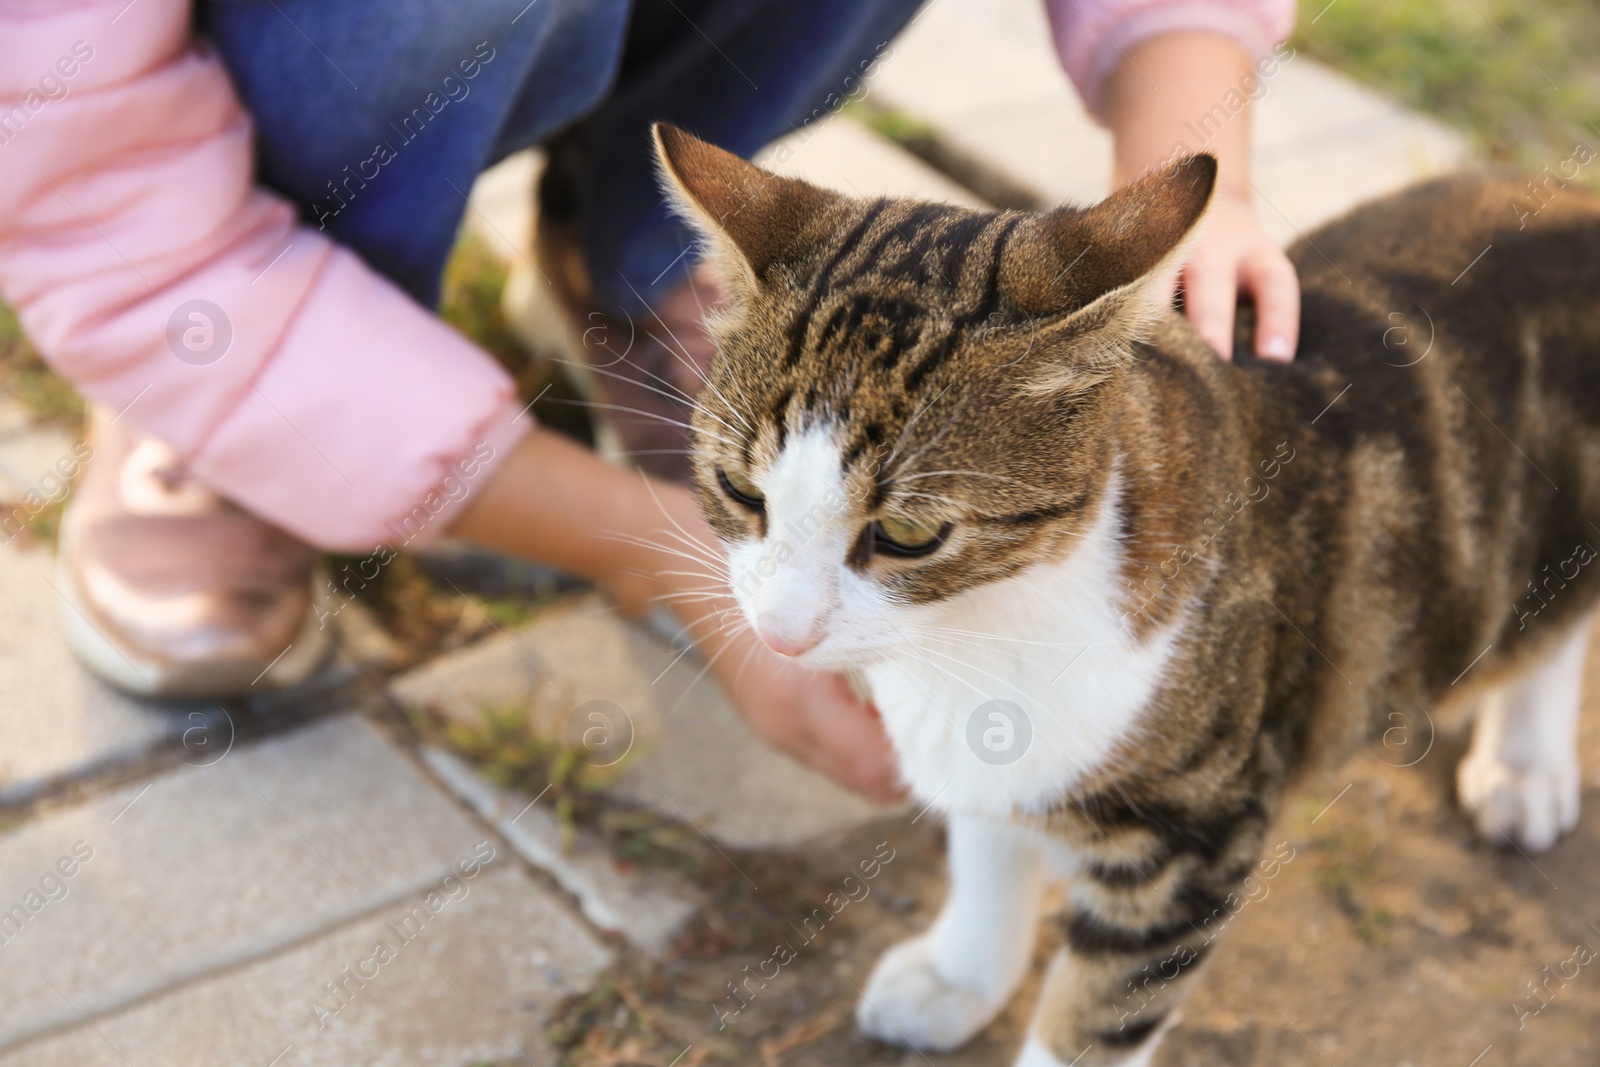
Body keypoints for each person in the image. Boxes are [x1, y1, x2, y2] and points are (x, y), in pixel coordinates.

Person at [0, 0, 1296, 805]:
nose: (787, 626)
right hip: (208, 158)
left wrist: (1196, 183)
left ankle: (646, 261)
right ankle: (247, 378)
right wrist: (663, 562)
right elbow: (96, 214)